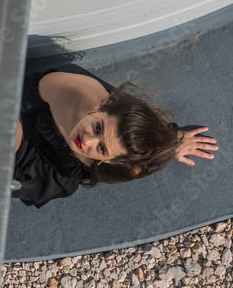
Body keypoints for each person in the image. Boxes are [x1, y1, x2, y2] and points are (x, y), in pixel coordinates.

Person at [12, 66, 218, 208]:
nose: (87, 141)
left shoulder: (120, 165)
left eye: (101, 149)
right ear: (103, 105)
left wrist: (172, 145)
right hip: (27, 127)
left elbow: (140, 163)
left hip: (48, 172)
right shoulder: (69, 90)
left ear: (110, 160)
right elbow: (7, 102)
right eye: (98, 127)